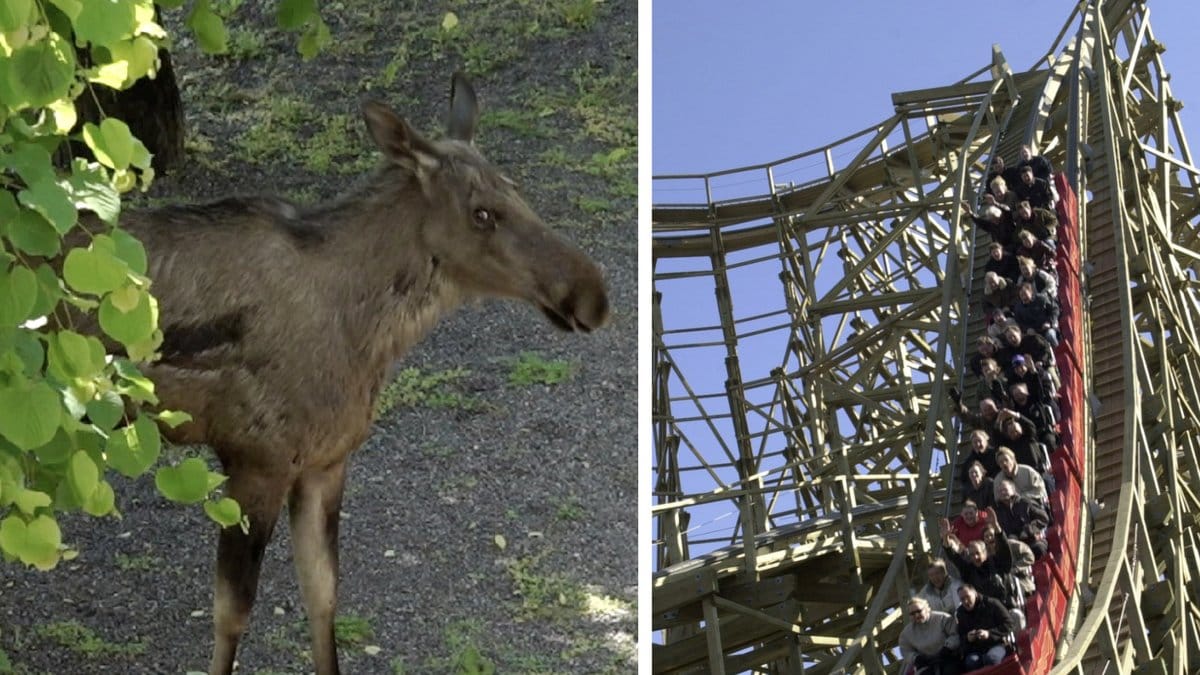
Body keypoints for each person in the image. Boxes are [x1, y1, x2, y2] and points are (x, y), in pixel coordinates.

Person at [955, 584, 1016, 669]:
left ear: (975, 594)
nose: (965, 601)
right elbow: (961, 636)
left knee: (991, 658)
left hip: (999, 643)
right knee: (970, 662)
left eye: (968, 597)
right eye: (962, 599)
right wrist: (968, 638)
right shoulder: (960, 613)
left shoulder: (992, 603)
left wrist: (989, 634)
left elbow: (1009, 624)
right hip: (977, 649)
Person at [900, 596, 962, 675]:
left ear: (927, 609)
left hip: (949, 657)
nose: (916, 615)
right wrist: (916, 658)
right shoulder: (906, 634)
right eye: (912, 614)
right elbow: (906, 651)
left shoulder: (942, 618)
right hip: (927, 664)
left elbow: (955, 634)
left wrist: (947, 648)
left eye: (919, 611)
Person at [993, 478, 1049, 559]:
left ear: (1013, 490)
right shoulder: (997, 511)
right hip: (1013, 545)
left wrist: (1028, 531)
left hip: (1032, 539)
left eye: (1005, 490)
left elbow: (1043, 518)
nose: (1002, 493)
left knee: (1038, 549)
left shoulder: (1025, 502)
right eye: (1000, 491)